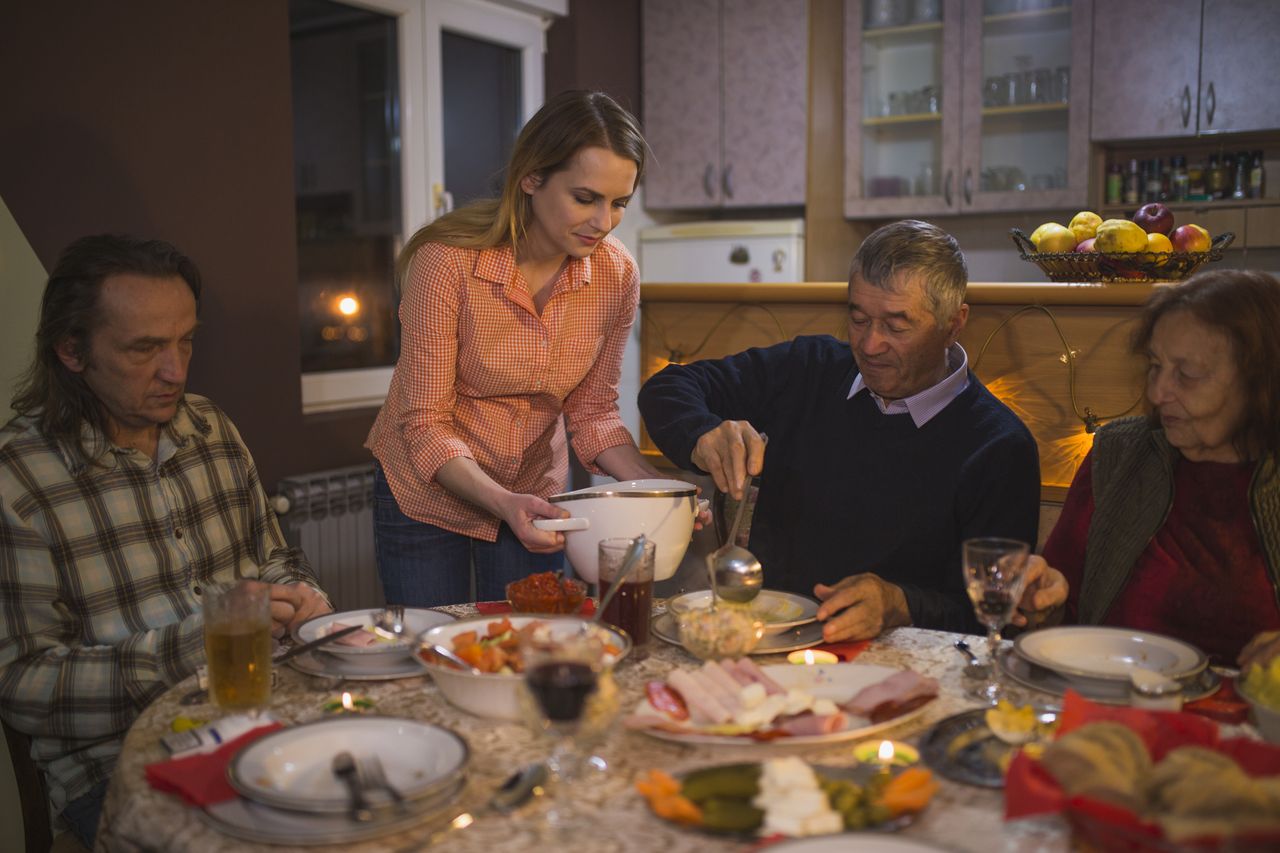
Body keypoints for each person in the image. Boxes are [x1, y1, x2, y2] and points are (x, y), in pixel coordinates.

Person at [0, 235, 331, 848]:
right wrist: (196, 647)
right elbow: (21, 686)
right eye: (144, 348)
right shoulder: (19, 482)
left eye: (186, 340)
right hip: (121, 763)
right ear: (72, 351)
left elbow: (277, 560)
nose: (175, 371)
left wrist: (303, 601)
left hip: (264, 716)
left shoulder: (211, 429)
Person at [639, 219, 1065, 642]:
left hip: (899, 671)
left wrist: (900, 604)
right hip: (764, 639)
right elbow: (668, 387)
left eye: (897, 327)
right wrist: (703, 435)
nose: (869, 344)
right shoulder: (810, 368)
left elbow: (995, 618)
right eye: (858, 319)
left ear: (953, 323)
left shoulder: (998, 448)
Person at [366, 90, 662, 607]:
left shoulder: (616, 276)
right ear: (531, 178)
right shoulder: (447, 264)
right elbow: (426, 423)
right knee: (433, 651)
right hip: (427, 491)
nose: (604, 222)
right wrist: (503, 502)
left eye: (619, 204)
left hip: (533, 492)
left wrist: (661, 492)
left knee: (531, 652)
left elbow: (592, 414)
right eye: (585, 198)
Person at [1036, 268, 1280, 667]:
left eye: (1187, 374)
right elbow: (1060, 614)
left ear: (1260, 383)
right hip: (1113, 714)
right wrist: (1041, 602)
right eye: (1155, 366)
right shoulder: (1120, 455)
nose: (1157, 392)